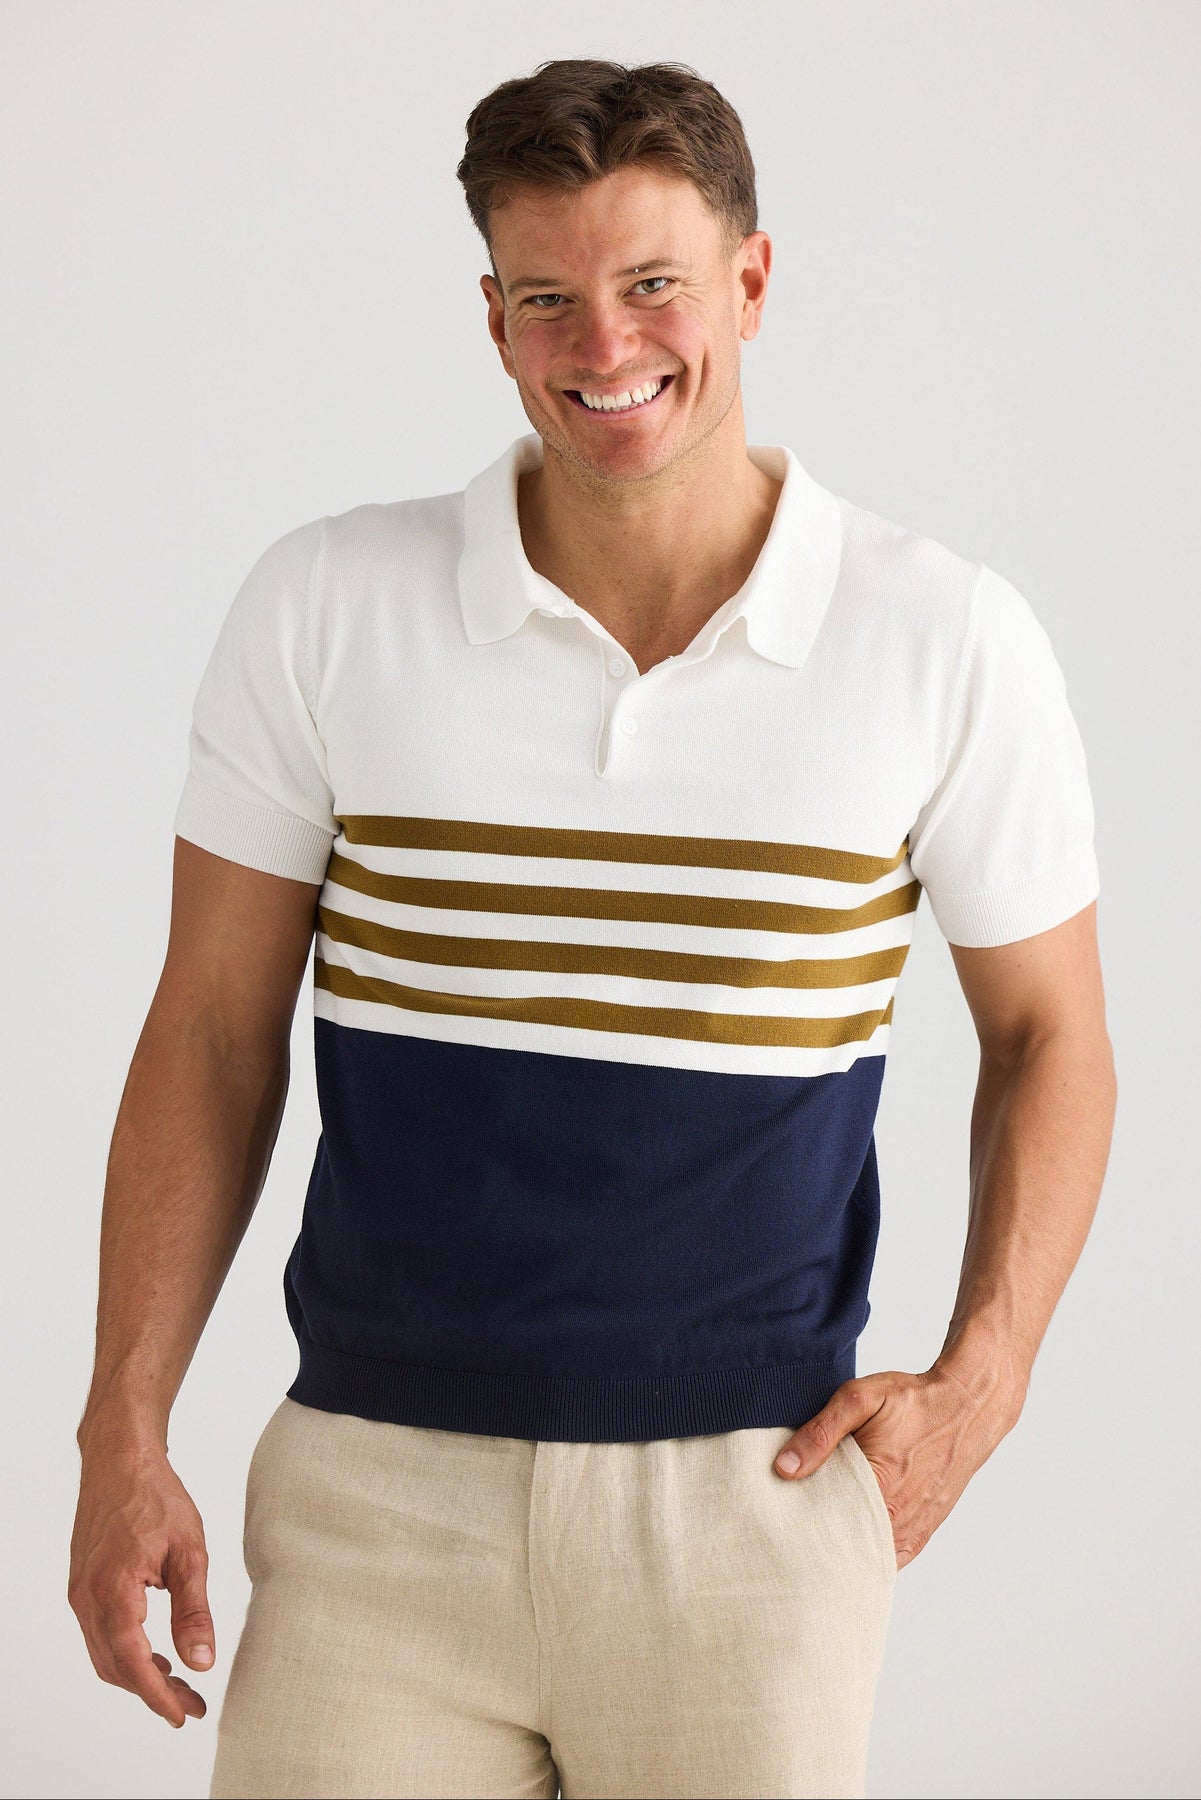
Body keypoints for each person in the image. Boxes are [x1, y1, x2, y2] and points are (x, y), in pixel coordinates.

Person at [68, 57, 1117, 1800]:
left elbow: (1050, 1031)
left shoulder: (940, 636)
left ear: (750, 284)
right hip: (371, 1499)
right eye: (547, 296)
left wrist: (983, 1378)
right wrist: (121, 1428)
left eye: (652, 284)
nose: (604, 343)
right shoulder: (328, 603)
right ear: (491, 317)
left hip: (750, 1507)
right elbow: (209, 1028)